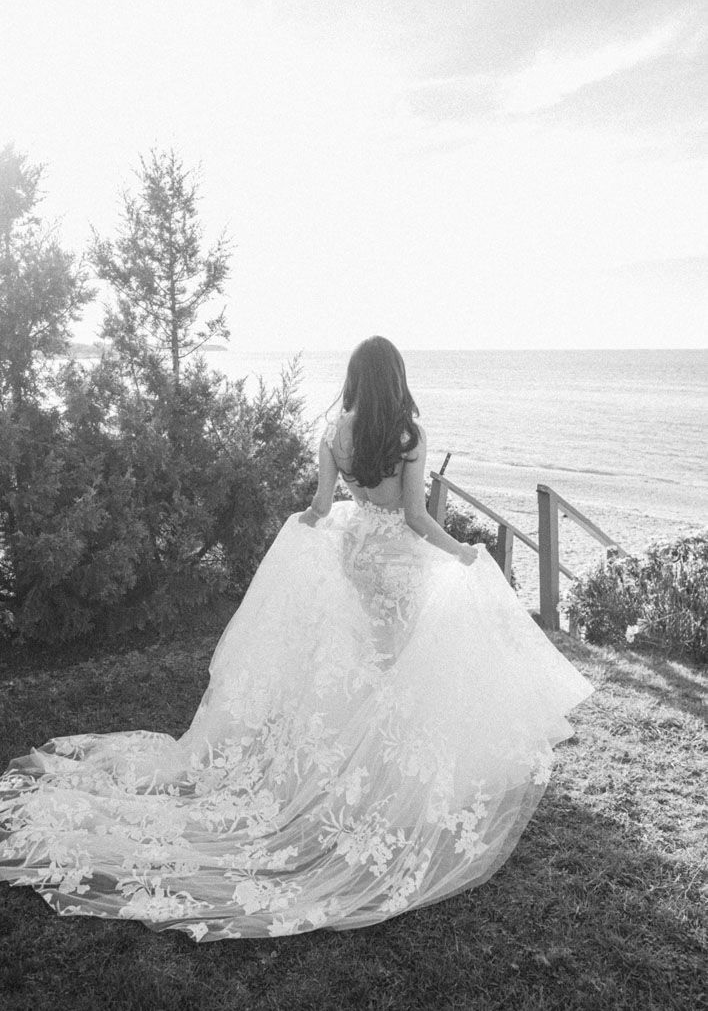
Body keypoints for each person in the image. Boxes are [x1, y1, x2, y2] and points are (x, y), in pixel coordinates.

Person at [0, 336, 593, 941]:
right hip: (396, 563)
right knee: (391, 667)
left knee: (366, 662)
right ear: (397, 376)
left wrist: (301, 531)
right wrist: (465, 552)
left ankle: (356, 773)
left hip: (354, 554)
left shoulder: (340, 429)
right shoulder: (408, 435)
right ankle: (377, 782)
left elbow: (317, 507)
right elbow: (416, 519)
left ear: (358, 378)